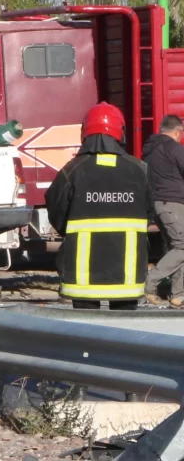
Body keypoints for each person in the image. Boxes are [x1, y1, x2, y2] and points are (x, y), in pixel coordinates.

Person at [45, 102, 153, 310]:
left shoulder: (73, 170)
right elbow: (150, 212)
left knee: (88, 335)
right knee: (124, 336)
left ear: (85, 133)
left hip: (83, 279)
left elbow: (55, 210)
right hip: (127, 280)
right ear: (120, 133)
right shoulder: (139, 170)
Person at [143, 115, 184, 307]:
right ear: (177, 131)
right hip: (173, 203)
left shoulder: (150, 150)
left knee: (177, 247)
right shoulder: (172, 148)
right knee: (182, 246)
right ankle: (150, 283)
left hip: (157, 204)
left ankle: (178, 295)